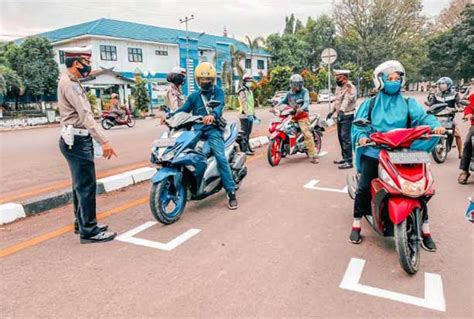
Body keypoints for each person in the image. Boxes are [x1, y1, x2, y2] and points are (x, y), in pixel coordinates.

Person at [350, 60, 445, 251]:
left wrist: (436, 126)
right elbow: (359, 125)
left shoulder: (409, 103)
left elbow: (425, 118)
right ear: (380, 81)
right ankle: (357, 223)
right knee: (363, 188)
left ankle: (425, 229)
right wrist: (361, 137)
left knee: (423, 188)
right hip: (376, 150)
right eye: (389, 78)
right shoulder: (370, 104)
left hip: (406, 152)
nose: (394, 81)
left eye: (397, 78)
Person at [58, 47, 118, 243]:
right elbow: (85, 116)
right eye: (86, 61)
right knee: (86, 186)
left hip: (72, 139)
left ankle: (81, 223)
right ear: (76, 63)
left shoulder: (69, 81)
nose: (88, 66)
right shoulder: (71, 85)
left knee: (79, 185)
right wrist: (104, 141)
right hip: (77, 140)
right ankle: (89, 231)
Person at [168, 62, 238, 210]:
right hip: (197, 130)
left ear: (212, 80)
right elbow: (183, 109)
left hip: (213, 130)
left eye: (208, 80)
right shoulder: (194, 96)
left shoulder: (218, 92)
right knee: (187, 153)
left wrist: (212, 115)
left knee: (220, 157)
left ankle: (231, 191)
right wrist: (169, 116)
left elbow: (219, 106)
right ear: (198, 80)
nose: (205, 83)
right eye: (202, 80)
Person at [278, 74, 319, 164]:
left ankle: (313, 155)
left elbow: (307, 102)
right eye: (295, 85)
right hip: (292, 116)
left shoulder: (304, 91)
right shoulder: (289, 93)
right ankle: (284, 149)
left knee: (307, 134)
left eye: (299, 85)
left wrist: (302, 108)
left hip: (303, 116)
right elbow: (282, 101)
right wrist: (275, 107)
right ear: (291, 84)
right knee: (284, 129)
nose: (297, 87)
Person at [327, 70, 357, 169]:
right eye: (336, 78)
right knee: (340, 137)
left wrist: (341, 111)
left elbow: (346, 100)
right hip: (340, 115)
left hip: (347, 115)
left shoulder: (350, 87)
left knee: (345, 137)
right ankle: (344, 158)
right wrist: (331, 112)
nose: (337, 80)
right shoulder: (338, 88)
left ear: (345, 78)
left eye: (339, 78)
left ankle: (349, 161)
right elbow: (337, 101)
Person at [429, 76, 464, 158]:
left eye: (443, 84)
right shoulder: (436, 94)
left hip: (449, 117)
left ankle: (460, 153)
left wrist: (460, 108)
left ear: (448, 85)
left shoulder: (454, 94)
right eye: (440, 85)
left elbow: (459, 103)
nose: (441, 86)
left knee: (458, 135)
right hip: (437, 117)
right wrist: (430, 108)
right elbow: (431, 104)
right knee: (428, 132)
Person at [458, 89, 474, 184]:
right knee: (468, 142)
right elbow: (469, 107)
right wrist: (468, 114)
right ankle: (464, 170)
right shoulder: (473, 96)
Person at [238, 74, 255, 155]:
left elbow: (251, 104)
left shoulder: (250, 91)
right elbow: (244, 103)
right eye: (248, 81)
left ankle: (248, 147)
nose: (250, 83)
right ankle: (244, 149)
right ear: (244, 81)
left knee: (248, 132)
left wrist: (253, 114)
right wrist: (248, 113)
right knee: (244, 133)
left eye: (251, 81)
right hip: (244, 115)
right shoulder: (242, 91)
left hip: (250, 115)